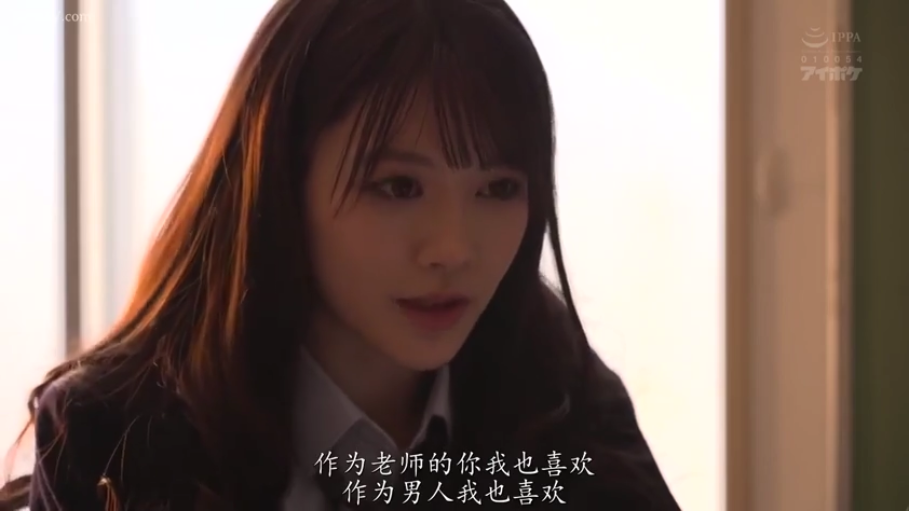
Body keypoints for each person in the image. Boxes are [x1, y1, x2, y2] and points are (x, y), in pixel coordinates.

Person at [0, 0, 680, 509]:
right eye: (399, 187)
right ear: (281, 180)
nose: (452, 248)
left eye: (498, 188)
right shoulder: (115, 436)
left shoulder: (563, 404)